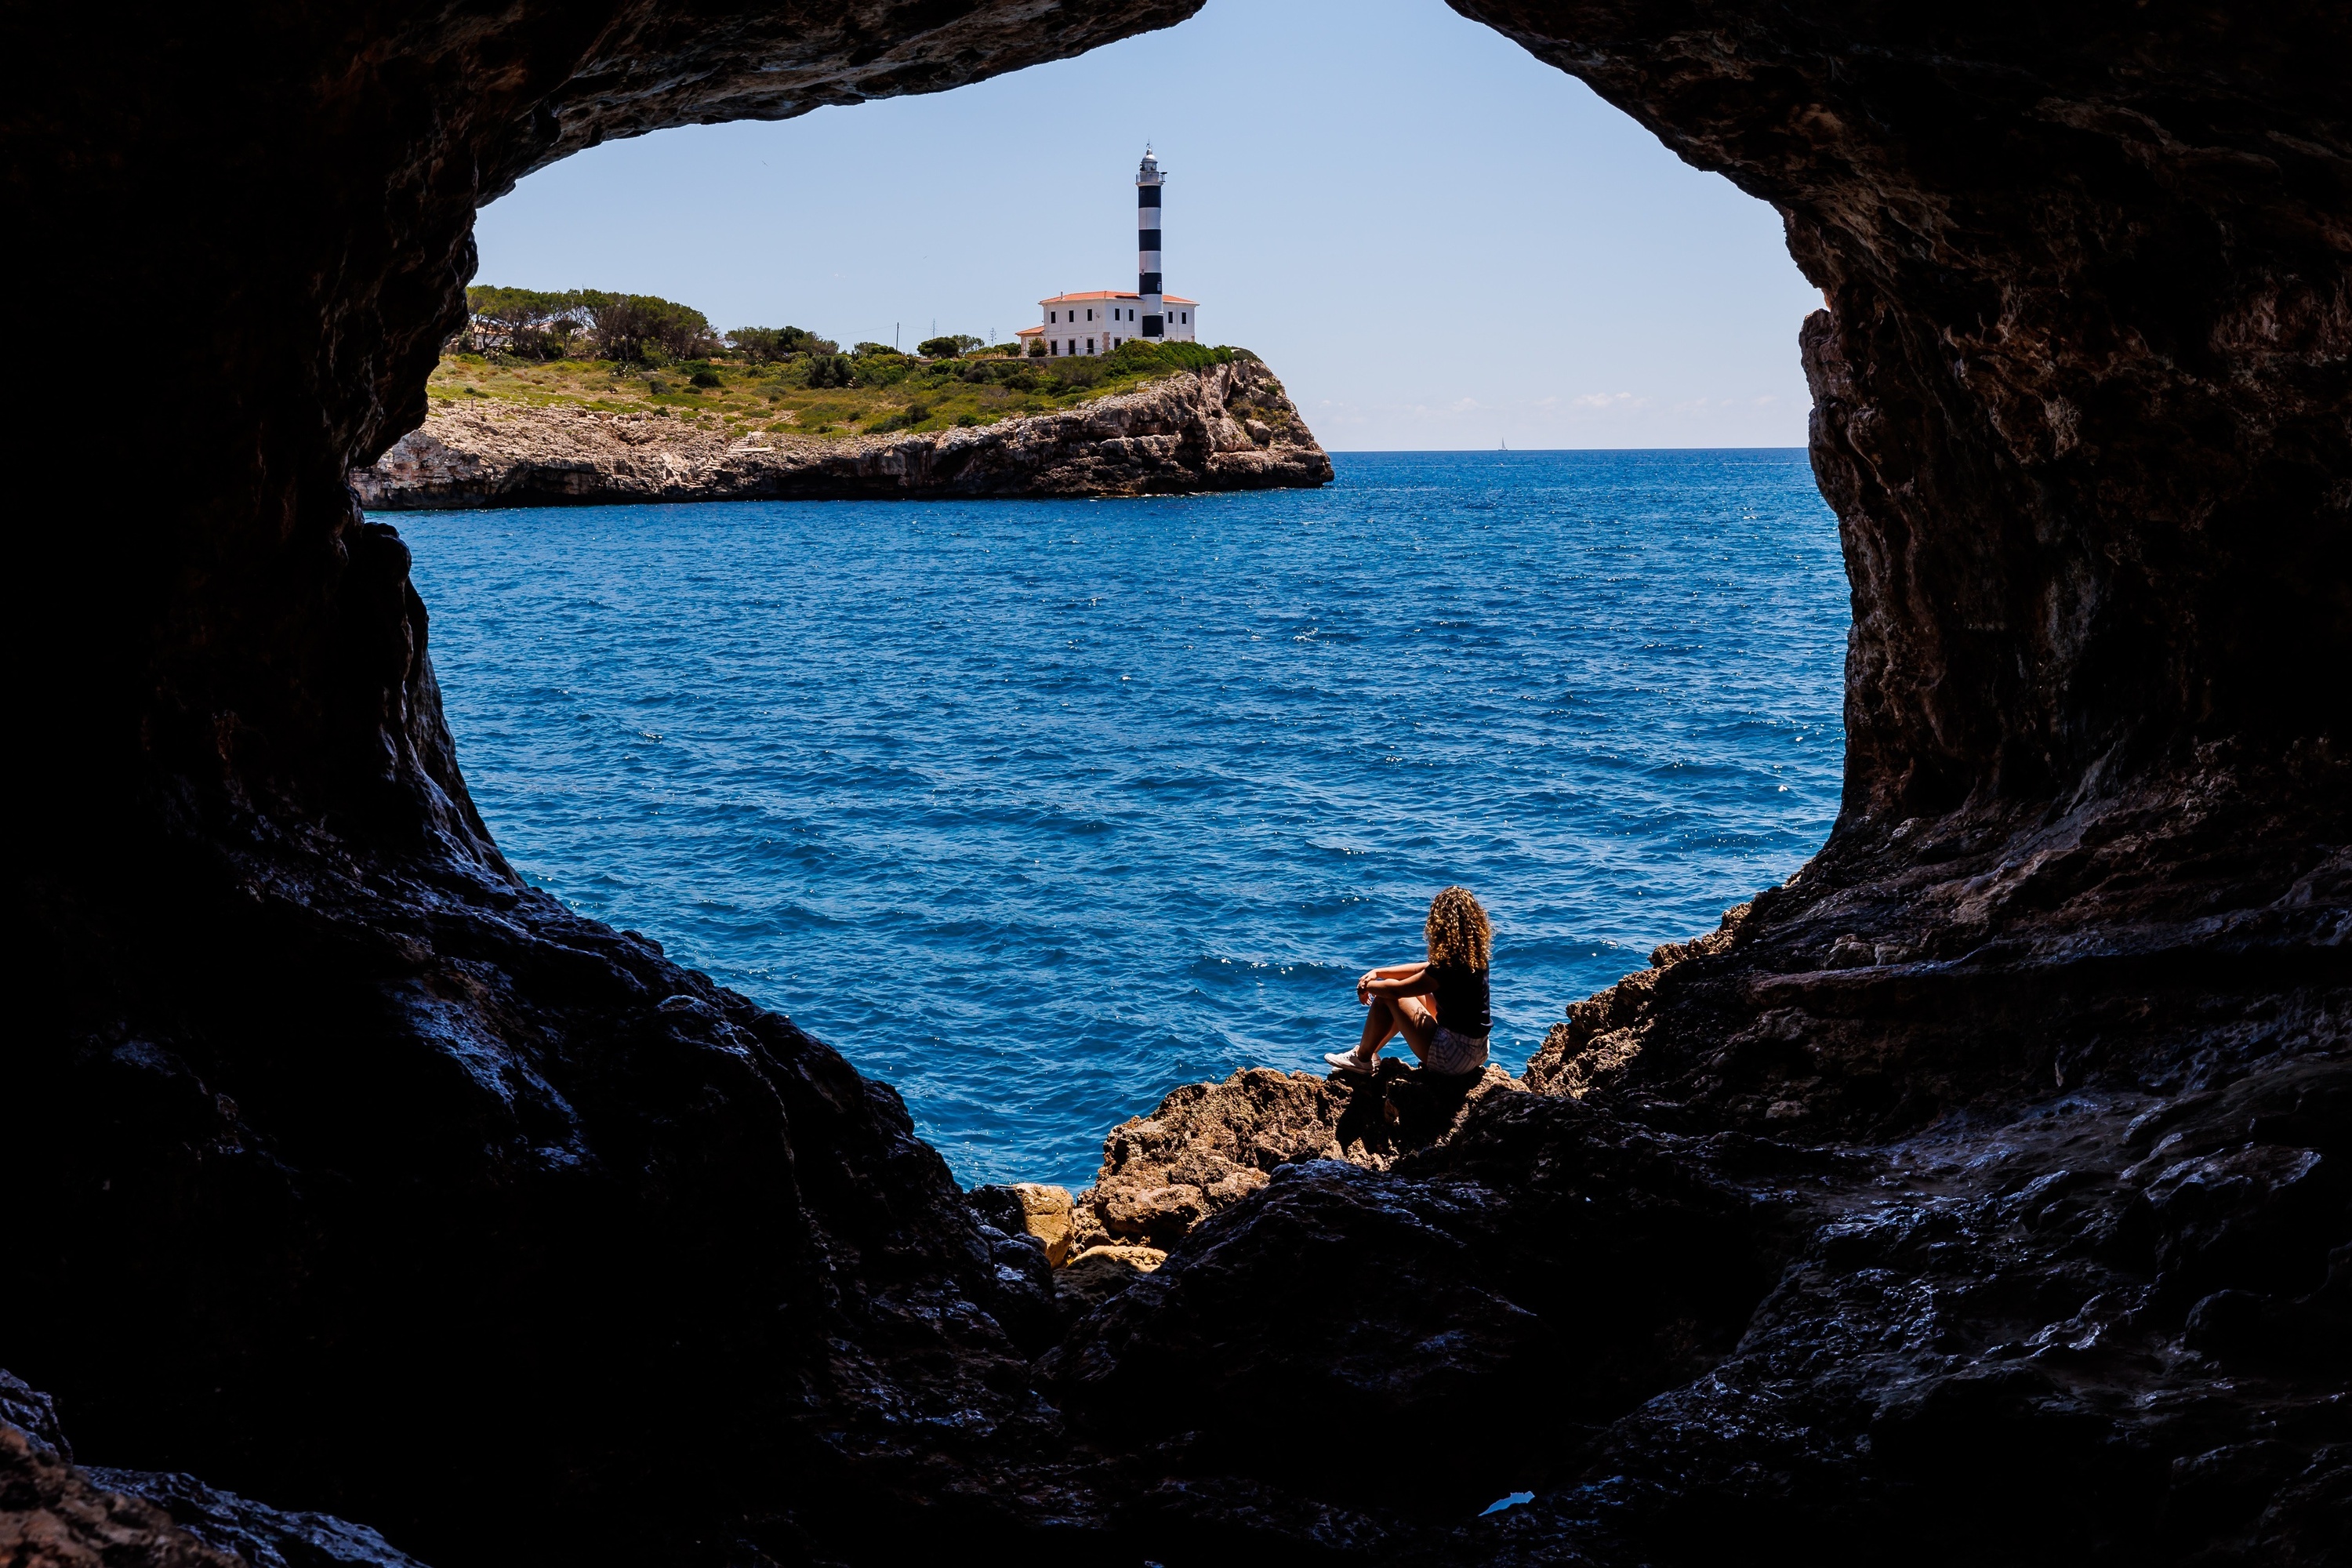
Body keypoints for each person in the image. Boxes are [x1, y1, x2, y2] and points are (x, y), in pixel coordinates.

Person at [1325, 886, 1493, 1078]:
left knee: (1388, 997)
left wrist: (1366, 986)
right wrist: (1378, 972)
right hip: (1477, 1050)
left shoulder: (1448, 967)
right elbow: (1425, 968)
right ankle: (1366, 1055)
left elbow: (1397, 991)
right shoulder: (1473, 957)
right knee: (1409, 992)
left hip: (1453, 1058)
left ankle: (1362, 1058)